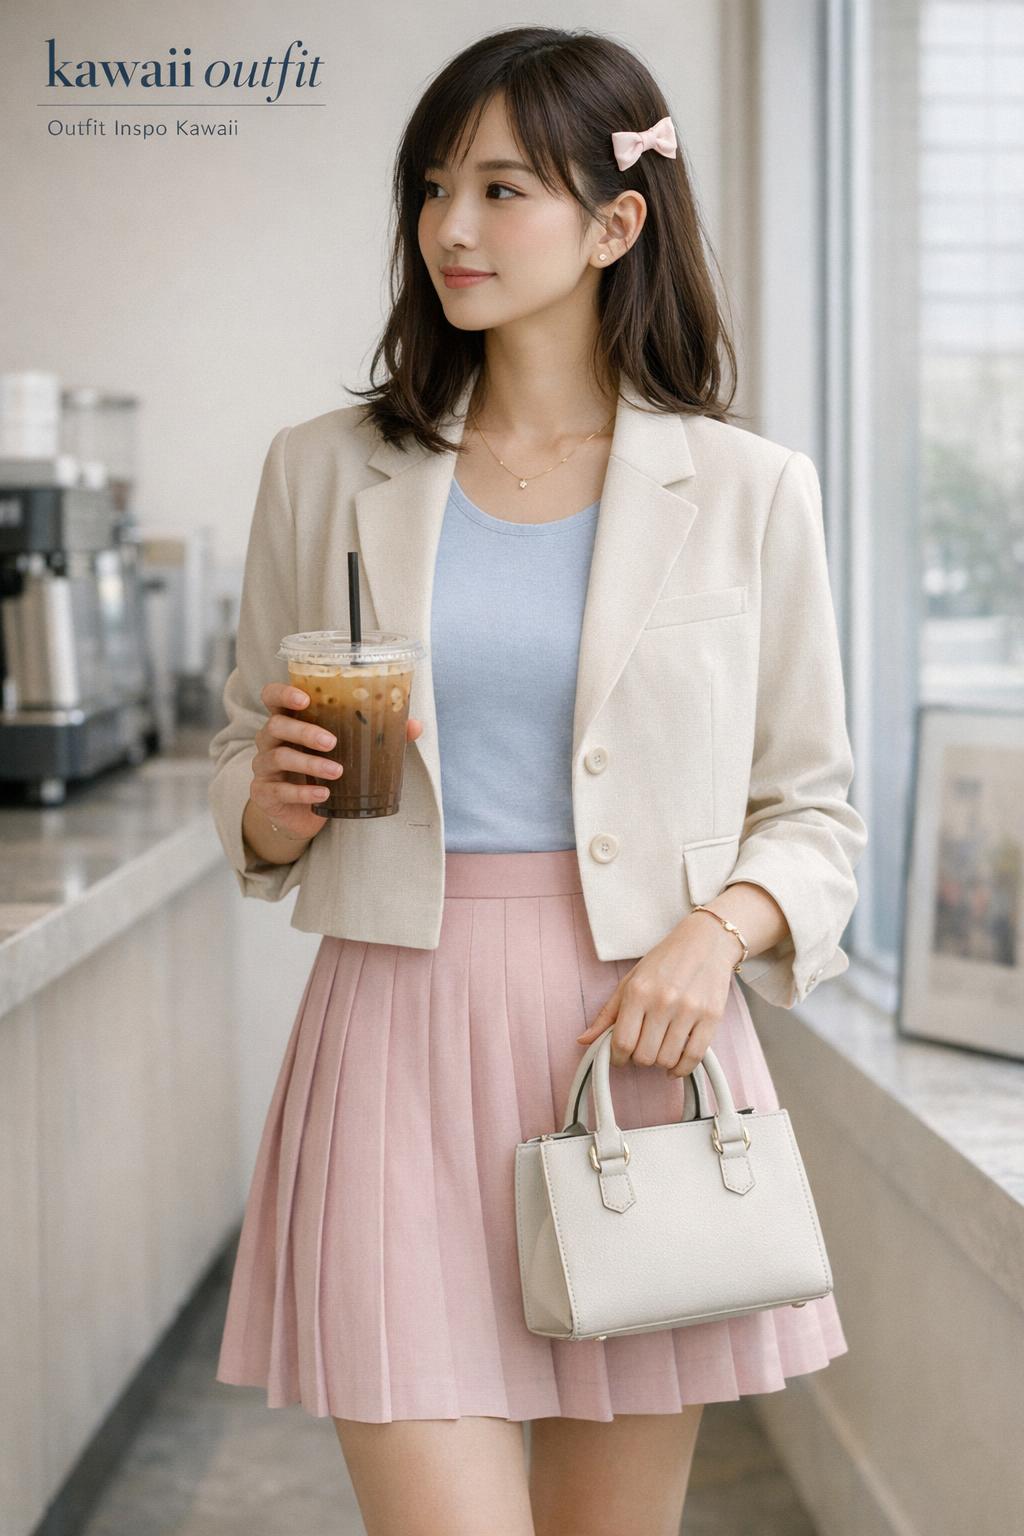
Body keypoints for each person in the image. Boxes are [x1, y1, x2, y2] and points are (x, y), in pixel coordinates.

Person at [208, 25, 868, 1536]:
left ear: (616, 221)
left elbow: (817, 808)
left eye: (502, 189)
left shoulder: (750, 490)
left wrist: (723, 930)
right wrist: (269, 800)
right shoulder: (324, 469)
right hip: (390, 1028)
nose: (450, 227)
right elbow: (245, 745)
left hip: (636, 1043)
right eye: (436, 186)